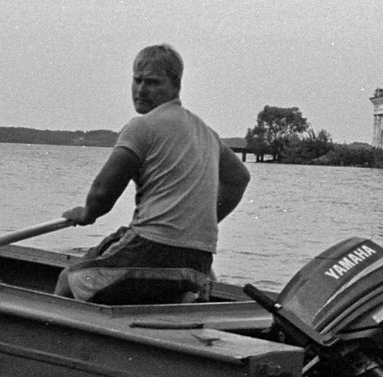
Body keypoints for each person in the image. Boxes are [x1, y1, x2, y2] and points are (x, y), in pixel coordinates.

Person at [58, 44, 250, 304]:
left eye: (152, 82)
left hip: (152, 250)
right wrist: (197, 223)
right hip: (197, 263)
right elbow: (239, 178)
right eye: (137, 80)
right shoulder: (205, 132)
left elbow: (104, 191)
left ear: (175, 85)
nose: (140, 90)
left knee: (68, 280)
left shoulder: (142, 127)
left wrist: (86, 213)